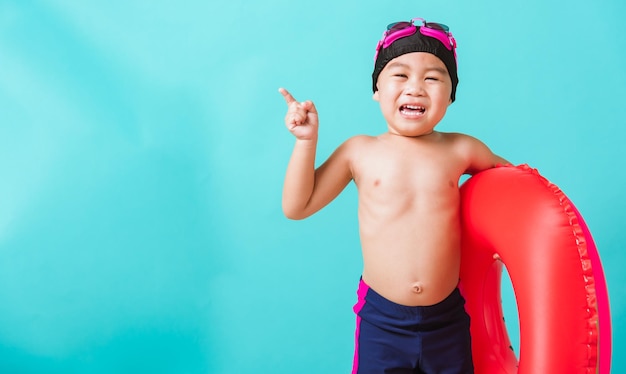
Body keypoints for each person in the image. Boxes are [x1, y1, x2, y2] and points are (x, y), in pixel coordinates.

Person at [279, 17, 509, 374]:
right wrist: (306, 142)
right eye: (400, 75)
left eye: (432, 78)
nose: (415, 88)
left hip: (447, 317)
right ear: (376, 89)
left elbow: (517, 191)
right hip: (382, 321)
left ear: (451, 94)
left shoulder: (462, 149)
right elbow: (297, 206)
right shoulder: (359, 152)